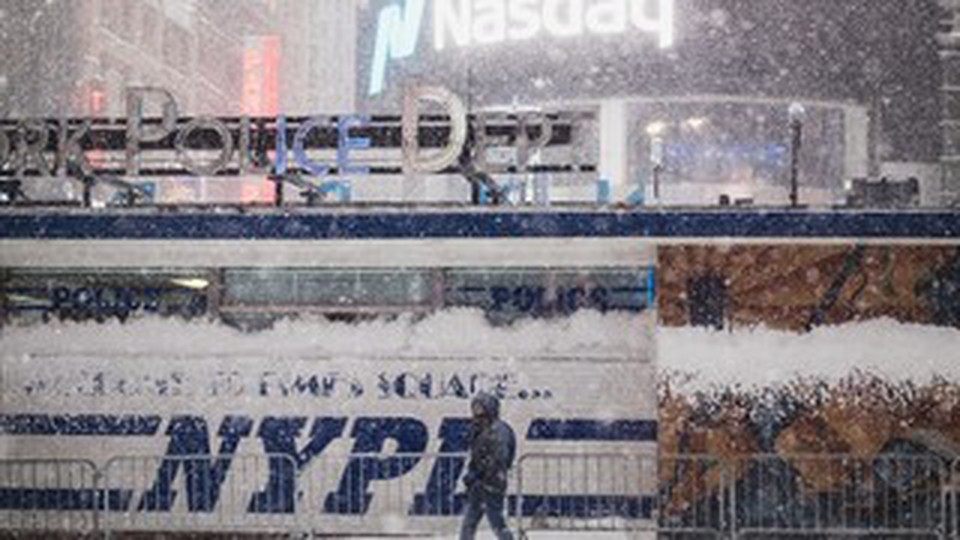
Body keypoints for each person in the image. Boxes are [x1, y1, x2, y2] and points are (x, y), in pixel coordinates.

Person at [460, 392, 517, 540]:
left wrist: (479, 474)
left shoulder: (498, 430)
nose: (476, 411)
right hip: (480, 484)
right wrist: (472, 473)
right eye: (474, 407)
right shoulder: (479, 428)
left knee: (496, 522)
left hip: (491, 484)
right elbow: (476, 455)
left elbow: (499, 459)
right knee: (470, 522)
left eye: (480, 407)